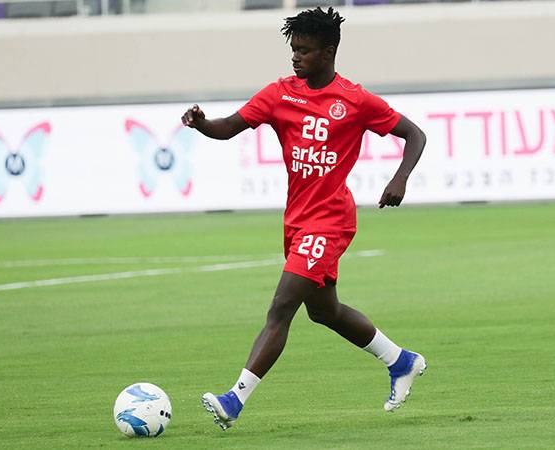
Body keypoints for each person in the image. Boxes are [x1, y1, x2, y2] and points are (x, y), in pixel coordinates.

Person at [182, 6, 427, 431]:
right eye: (294, 49)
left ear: (328, 52)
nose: (295, 57)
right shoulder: (280, 94)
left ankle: (234, 400)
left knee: (281, 307)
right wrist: (202, 124)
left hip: (330, 221)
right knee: (324, 312)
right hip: (297, 220)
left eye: (305, 50)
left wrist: (400, 178)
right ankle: (401, 361)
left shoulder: (355, 100)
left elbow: (414, 134)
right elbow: (229, 127)